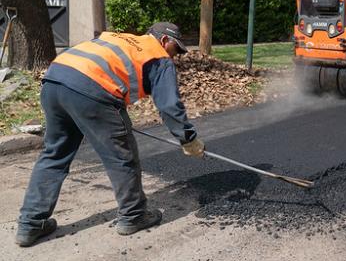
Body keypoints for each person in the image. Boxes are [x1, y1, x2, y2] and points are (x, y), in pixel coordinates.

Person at [15, 22, 204, 247]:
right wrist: (188, 138)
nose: (176, 56)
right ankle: (134, 216)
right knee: (121, 157)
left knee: (54, 154)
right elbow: (170, 106)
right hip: (91, 90)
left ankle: (30, 224)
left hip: (54, 81)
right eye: (176, 49)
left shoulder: (121, 39)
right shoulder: (158, 55)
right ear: (164, 41)